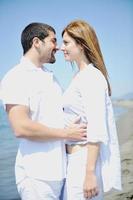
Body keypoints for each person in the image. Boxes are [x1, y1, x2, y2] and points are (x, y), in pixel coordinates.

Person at [0, 22, 87, 200]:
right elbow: (21, 127)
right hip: (36, 175)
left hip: (61, 170)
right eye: (53, 41)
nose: (58, 47)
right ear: (36, 42)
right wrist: (66, 133)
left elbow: (56, 117)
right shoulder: (16, 77)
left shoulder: (51, 77)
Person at [61, 20, 122, 200]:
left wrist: (89, 174)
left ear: (80, 44)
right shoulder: (80, 76)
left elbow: (96, 128)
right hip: (75, 161)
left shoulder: (90, 77)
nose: (60, 47)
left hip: (84, 162)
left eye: (66, 43)